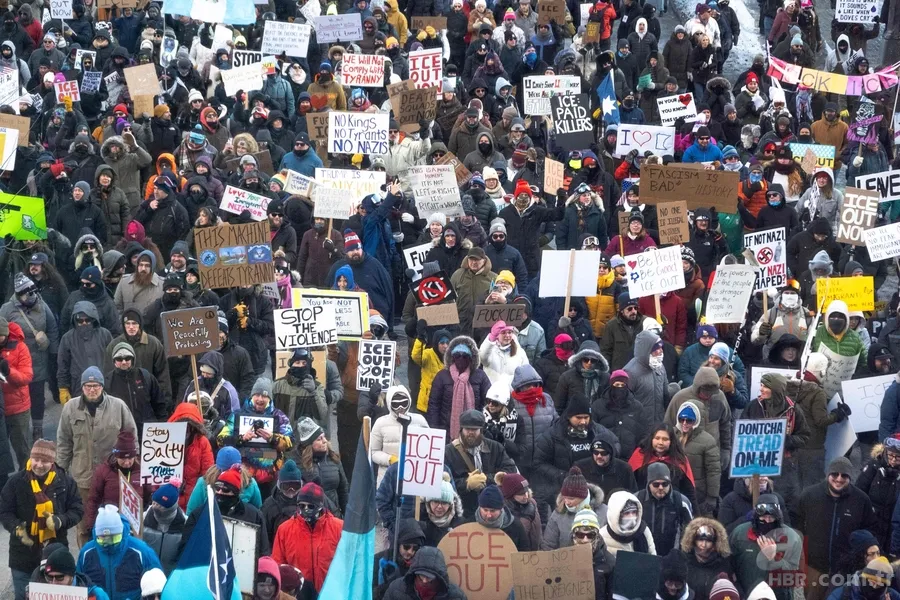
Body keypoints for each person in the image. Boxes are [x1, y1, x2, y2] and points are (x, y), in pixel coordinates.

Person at [56, 367, 137, 547]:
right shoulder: (70, 408)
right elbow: (64, 442)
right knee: (84, 526)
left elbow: (132, 437)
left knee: (117, 524)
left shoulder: (119, 406)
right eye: (87, 386)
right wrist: (59, 472)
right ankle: (87, 560)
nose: (92, 389)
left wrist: (132, 467)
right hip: (82, 480)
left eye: (96, 385)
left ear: (102, 387)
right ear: (82, 387)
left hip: (114, 478)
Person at [0, 439, 83, 600]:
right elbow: (5, 511)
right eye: (36, 459)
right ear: (30, 459)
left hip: (55, 555)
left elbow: (77, 510)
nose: (39, 464)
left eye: (44, 461)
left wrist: (60, 520)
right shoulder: (16, 482)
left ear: (52, 462)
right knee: (23, 596)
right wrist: (17, 528)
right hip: (22, 555)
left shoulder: (65, 482)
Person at [797, 457, 877, 600]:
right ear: (828, 474)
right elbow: (796, 521)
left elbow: (870, 530)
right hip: (814, 567)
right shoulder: (809, 495)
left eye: (844, 475)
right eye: (835, 474)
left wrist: (857, 556)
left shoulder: (861, 499)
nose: (839, 479)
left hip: (845, 571)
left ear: (850, 477)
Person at [0, 274, 60, 442]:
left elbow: (52, 327)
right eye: (27, 292)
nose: (31, 295)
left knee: (37, 394)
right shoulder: (7, 308)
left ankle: (38, 428)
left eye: (33, 291)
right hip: (16, 358)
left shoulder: (41, 303)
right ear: (18, 294)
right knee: (17, 394)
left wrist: (54, 352)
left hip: (39, 357)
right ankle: (17, 429)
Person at [218, 378, 293, 500]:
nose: (260, 399)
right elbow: (220, 440)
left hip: (270, 478)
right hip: (243, 476)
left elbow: (290, 443)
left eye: (264, 396)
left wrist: (273, 438)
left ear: (269, 398)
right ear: (252, 396)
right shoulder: (237, 415)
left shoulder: (279, 416)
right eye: (257, 395)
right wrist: (241, 438)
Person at [77, 505, 162, 600]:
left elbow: (157, 584)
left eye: (114, 538)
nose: (108, 544)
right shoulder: (86, 553)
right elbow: (79, 583)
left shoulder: (142, 551)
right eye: (102, 539)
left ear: (121, 532)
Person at [444, 409, 518, 518]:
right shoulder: (448, 452)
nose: (470, 432)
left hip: (492, 510)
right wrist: (466, 484)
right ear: (461, 429)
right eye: (467, 428)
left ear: (481, 430)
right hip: (462, 511)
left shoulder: (496, 447)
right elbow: (442, 482)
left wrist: (487, 479)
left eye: (474, 429)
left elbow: (511, 471)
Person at [271, 483, 342, 594]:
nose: (306, 509)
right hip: (298, 595)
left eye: (310, 506)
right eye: (301, 505)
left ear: (320, 505)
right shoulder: (285, 530)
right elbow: (278, 565)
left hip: (330, 593)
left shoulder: (339, 528)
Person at [731, 495, 804, 600]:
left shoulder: (792, 538)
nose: (767, 521)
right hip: (746, 594)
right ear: (756, 516)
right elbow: (730, 567)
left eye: (771, 517)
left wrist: (774, 558)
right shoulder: (739, 533)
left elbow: (795, 577)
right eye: (763, 517)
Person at [84, 430, 148, 536]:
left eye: (130, 458)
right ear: (116, 456)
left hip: (135, 525)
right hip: (111, 524)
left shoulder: (142, 470)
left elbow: (149, 496)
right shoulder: (103, 471)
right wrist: (91, 526)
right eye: (123, 458)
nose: (127, 462)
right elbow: (93, 499)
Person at [426, 336, 492, 434]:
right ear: (452, 357)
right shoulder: (442, 376)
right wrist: (434, 430)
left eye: (465, 356)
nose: (461, 359)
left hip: (475, 430)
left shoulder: (480, 375)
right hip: (446, 431)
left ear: (470, 358)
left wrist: (485, 428)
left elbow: (489, 401)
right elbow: (434, 406)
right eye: (457, 355)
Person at [541, 466, 608, 550]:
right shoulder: (558, 514)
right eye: (565, 497)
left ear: (583, 497)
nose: (567, 502)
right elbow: (548, 546)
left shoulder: (604, 512)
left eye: (571, 498)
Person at [636, 462, 693, 556]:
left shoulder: (681, 501)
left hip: (673, 556)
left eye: (665, 484)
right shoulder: (637, 499)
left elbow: (690, 531)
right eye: (656, 484)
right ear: (649, 484)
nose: (661, 488)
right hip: (643, 555)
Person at [510, 364, 556, 479]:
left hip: (543, 459)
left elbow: (555, 423)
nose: (531, 388)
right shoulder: (511, 402)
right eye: (527, 385)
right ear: (519, 387)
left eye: (534, 384)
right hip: (519, 461)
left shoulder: (546, 399)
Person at [629, 423, 696, 502]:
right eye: (657, 438)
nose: (660, 442)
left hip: (672, 506)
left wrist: (695, 513)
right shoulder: (640, 455)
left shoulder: (679, 459)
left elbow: (689, 491)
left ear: (671, 441)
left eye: (665, 439)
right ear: (651, 439)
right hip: (644, 505)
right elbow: (630, 485)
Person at [0, 317, 34, 469]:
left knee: (22, 451)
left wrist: (8, 372)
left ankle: (28, 481)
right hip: (2, 408)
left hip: (17, 408)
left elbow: (26, 377)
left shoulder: (20, 347)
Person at [857, 437, 900, 551]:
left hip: (892, 528)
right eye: (890, 455)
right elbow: (858, 492)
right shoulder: (874, 467)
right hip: (872, 523)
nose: (893, 461)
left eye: (898, 457)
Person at [381, 546, 467, 600]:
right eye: (421, 576)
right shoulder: (396, 588)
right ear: (414, 573)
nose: (425, 580)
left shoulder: (456, 596)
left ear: (439, 577)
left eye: (430, 577)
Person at [680, 518, 735, 600]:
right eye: (700, 540)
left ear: (715, 542)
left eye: (708, 541)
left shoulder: (724, 563)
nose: (703, 545)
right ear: (693, 540)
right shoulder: (684, 561)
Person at [141, 484, 186, 575]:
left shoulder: (185, 525)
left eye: (159, 505)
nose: (154, 507)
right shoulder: (142, 519)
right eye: (154, 503)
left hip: (171, 577)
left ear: (171, 507)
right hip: (146, 575)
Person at [719, 476, 790, 534]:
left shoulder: (777, 498)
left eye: (765, 474)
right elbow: (724, 532)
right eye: (758, 477)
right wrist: (746, 519)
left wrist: (777, 517)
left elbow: (786, 528)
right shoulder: (730, 500)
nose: (763, 477)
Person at [599, 490, 656, 557]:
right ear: (616, 515)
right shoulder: (602, 536)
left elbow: (653, 559)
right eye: (626, 513)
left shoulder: (644, 531)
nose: (631, 517)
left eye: (634, 512)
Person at [496, 472, 543, 551]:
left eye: (526, 491)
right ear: (510, 495)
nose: (526, 496)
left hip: (533, 553)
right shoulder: (503, 510)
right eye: (521, 494)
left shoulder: (532, 504)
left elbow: (537, 531)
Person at [474, 485, 530, 550]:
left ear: (501, 509)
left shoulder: (516, 526)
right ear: (480, 508)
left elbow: (524, 552)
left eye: (492, 511)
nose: (488, 515)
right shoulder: (469, 524)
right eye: (485, 510)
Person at [479, 320, 530, 389]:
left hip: (513, 395)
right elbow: (482, 357)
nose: (507, 335)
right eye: (503, 332)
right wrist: (491, 337)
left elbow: (525, 374)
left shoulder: (520, 352)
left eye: (509, 332)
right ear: (497, 335)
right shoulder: (490, 350)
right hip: (493, 395)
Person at [419, 473, 465, 547]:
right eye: (436, 502)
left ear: (451, 504)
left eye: (444, 503)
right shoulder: (419, 519)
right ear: (428, 502)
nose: (439, 506)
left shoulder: (460, 524)